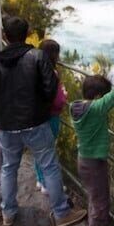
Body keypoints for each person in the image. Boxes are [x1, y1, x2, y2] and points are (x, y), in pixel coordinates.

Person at [0, 16, 86, 226]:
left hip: (8, 125)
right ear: (26, 33)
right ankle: (61, 212)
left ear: (4, 35)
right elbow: (50, 89)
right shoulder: (37, 56)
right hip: (36, 123)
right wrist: (39, 108)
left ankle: (8, 212)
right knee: (49, 166)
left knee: (9, 168)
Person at [70, 74, 114, 226]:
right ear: (96, 98)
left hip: (85, 160)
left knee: (95, 198)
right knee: (100, 203)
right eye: (102, 96)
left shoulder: (77, 106)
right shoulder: (95, 109)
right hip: (94, 163)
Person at [34, 39, 67, 194]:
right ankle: (47, 184)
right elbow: (58, 101)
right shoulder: (51, 73)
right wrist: (64, 95)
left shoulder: (33, 67)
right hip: (50, 116)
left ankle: (40, 180)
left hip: (36, 115)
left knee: (38, 149)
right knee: (48, 150)